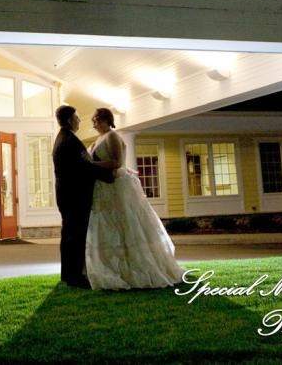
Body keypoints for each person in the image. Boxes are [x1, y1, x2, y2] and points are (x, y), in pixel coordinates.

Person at [85, 107, 185, 290]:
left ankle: (135, 270)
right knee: (106, 226)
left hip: (116, 189)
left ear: (105, 119)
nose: (92, 122)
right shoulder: (98, 139)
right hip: (101, 188)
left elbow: (116, 162)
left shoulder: (112, 136)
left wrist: (91, 163)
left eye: (95, 119)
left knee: (125, 224)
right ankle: (109, 267)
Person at [52, 104, 114, 288]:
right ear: (71, 120)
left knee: (69, 235)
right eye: (77, 117)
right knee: (76, 236)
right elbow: (84, 167)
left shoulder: (63, 138)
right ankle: (75, 276)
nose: (80, 120)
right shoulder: (70, 141)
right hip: (75, 196)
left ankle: (68, 274)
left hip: (66, 195)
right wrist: (111, 176)